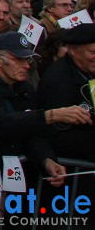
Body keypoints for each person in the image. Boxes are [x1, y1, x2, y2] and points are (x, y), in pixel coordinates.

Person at [0, 32, 88, 197]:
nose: (26, 66)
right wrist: (51, 115)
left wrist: (46, 160)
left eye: (28, 60)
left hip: (6, 179)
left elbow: (29, 133)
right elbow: (2, 122)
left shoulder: (25, 90)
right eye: (18, 60)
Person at [37, 23, 95, 164]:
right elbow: (58, 136)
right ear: (72, 50)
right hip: (71, 171)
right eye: (93, 52)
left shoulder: (86, 72)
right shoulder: (57, 81)